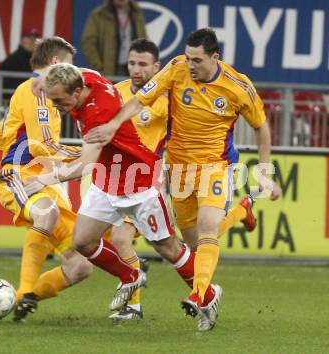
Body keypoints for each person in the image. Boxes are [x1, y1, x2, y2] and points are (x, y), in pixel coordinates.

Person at [83, 28, 282, 328]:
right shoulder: (176, 68)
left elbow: (262, 127)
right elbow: (140, 100)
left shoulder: (238, 86)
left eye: (197, 60)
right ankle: (241, 211)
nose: (190, 65)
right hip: (177, 169)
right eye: (188, 58)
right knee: (194, 244)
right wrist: (113, 125)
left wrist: (265, 173)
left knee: (208, 228)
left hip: (215, 166)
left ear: (215, 57)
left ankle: (200, 294)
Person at [25, 63, 222, 331]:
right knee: (82, 241)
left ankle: (208, 296)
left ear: (77, 92)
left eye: (58, 100)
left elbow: (84, 166)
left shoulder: (98, 114)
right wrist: (42, 78)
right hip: (108, 182)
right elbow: (73, 68)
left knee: (168, 248)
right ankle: (131, 275)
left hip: (139, 183)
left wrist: (43, 180)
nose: (55, 105)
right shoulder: (88, 79)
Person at [0, 37, 92, 323]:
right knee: (46, 213)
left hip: (45, 181)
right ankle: (24, 291)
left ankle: (19, 300)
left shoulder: (35, 94)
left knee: (80, 267)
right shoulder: (36, 91)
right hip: (20, 175)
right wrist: (91, 150)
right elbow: (43, 145)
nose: (71, 74)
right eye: (68, 66)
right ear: (54, 64)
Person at [107, 38, 167, 320]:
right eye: (132, 63)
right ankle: (136, 266)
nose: (136, 69)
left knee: (120, 238)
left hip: (146, 179)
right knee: (89, 240)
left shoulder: (165, 100)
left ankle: (134, 306)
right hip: (115, 178)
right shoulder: (115, 92)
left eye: (143, 64)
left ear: (157, 67)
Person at [81, 0, 147, 76]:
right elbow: (88, 42)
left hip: (134, 68)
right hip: (109, 70)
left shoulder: (137, 13)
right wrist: (99, 66)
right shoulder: (99, 15)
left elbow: (143, 39)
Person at [0, 28, 41, 101]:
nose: (32, 41)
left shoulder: (40, 61)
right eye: (29, 37)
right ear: (21, 40)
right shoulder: (13, 60)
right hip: (14, 102)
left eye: (35, 38)